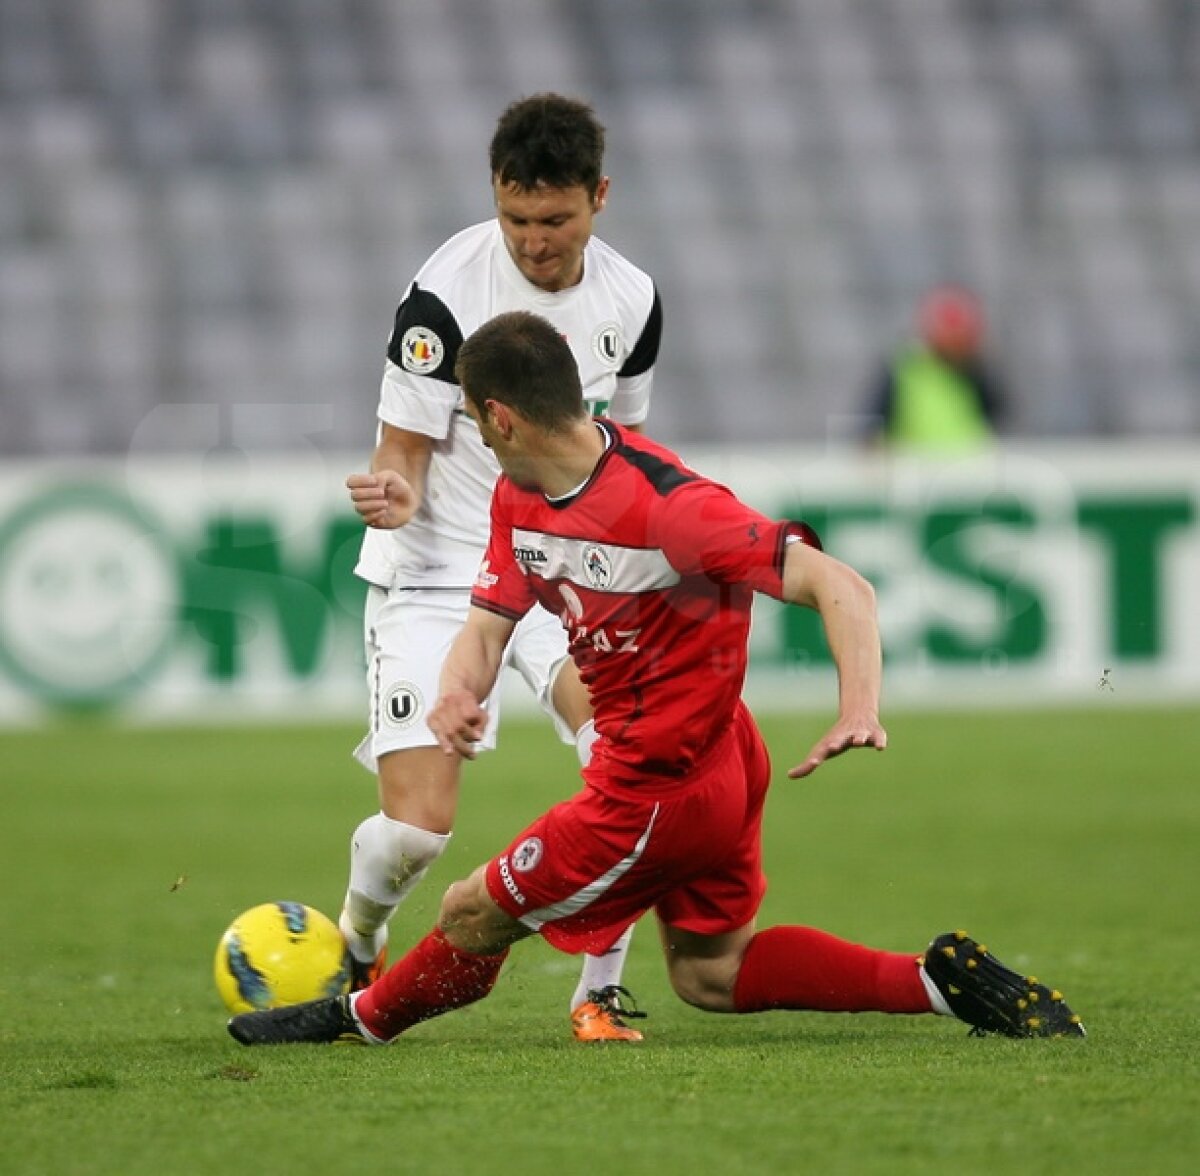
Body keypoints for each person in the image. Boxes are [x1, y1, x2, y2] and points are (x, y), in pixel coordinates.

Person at [230, 311, 1085, 1048]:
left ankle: (360, 1017)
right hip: (721, 760)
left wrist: (857, 706)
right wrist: (462, 689)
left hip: (651, 798)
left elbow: (840, 584)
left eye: (476, 426)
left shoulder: (672, 509)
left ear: (501, 415)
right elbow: (488, 624)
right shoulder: (517, 496)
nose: (478, 443)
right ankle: (938, 982)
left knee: (469, 913)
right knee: (711, 973)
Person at [337, 93, 663, 1042]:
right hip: (439, 571)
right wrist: (393, 494)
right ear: (495, 196)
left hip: (561, 575)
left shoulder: (632, 300)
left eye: (556, 220)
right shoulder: (444, 290)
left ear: (599, 197)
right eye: (517, 219)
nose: (535, 242)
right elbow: (401, 452)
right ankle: (361, 938)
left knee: (622, 755)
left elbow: (623, 451)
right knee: (414, 837)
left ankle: (597, 993)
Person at [864, 284, 1006, 452]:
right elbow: (872, 428)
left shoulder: (975, 373)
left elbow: (996, 413)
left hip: (969, 472)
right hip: (916, 471)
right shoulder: (903, 371)